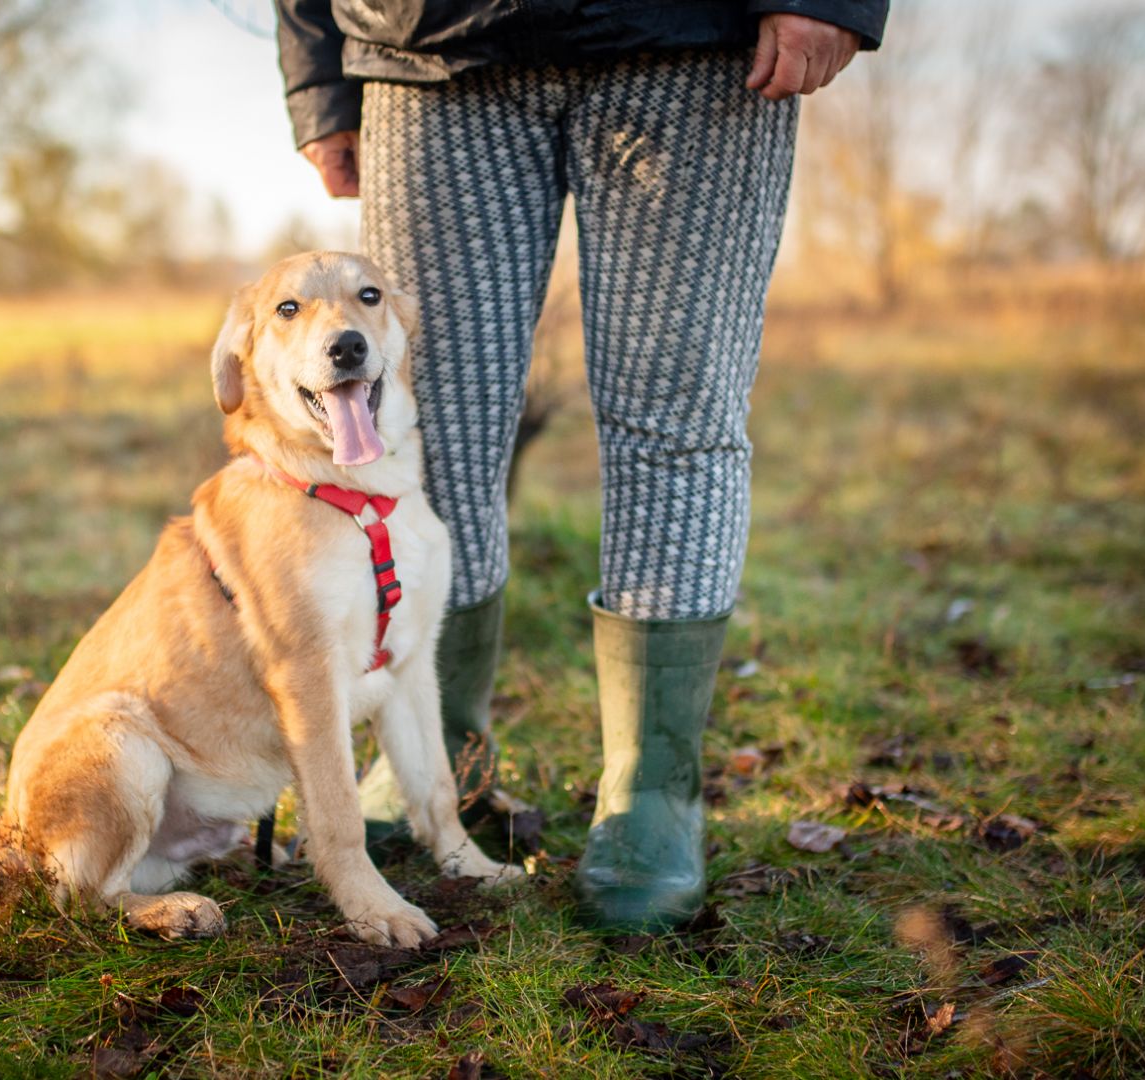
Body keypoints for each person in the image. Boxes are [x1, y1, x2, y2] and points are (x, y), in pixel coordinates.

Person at [274, 0, 888, 931]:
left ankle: (652, 791)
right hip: (426, 47)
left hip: (692, 42)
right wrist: (321, 78)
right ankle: (435, 757)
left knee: (677, 416)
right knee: (420, 420)